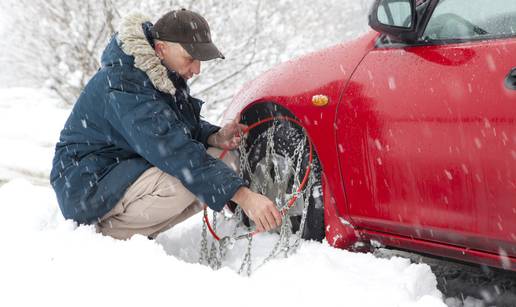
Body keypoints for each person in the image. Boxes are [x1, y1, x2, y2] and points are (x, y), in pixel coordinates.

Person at [50, 9, 282, 240]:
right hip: (87, 185)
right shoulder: (124, 84)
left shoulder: (160, 72)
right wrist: (244, 197)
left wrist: (214, 137)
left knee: (223, 157)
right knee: (185, 182)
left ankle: (130, 227)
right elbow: (173, 149)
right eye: (190, 58)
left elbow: (175, 127)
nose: (197, 69)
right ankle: (104, 235)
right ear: (161, 49)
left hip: (124, 168)